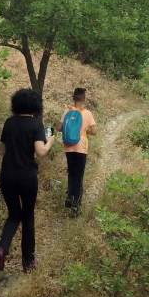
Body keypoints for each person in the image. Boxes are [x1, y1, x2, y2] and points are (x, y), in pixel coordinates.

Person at [0, 88, 54, 272]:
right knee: (27, 216)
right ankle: (28, 261)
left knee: (13, 214)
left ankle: (2, 248)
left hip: (7, 176)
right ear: (35, 105)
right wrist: (50, 141)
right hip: (27, 177)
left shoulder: (9, 123)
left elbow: (2, 150)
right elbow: (41, 152)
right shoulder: (35, 125)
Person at [56, 88, 97, 217]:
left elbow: (59, 128)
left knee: (71, 172)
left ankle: (69, 197)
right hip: (81, 148)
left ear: (73, 98)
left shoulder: (67, 111)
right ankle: (76, 206)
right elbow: (94, 131)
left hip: (69, 147)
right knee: (79, 176)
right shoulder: (87, 113)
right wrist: (86, 132)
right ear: (84, 100)